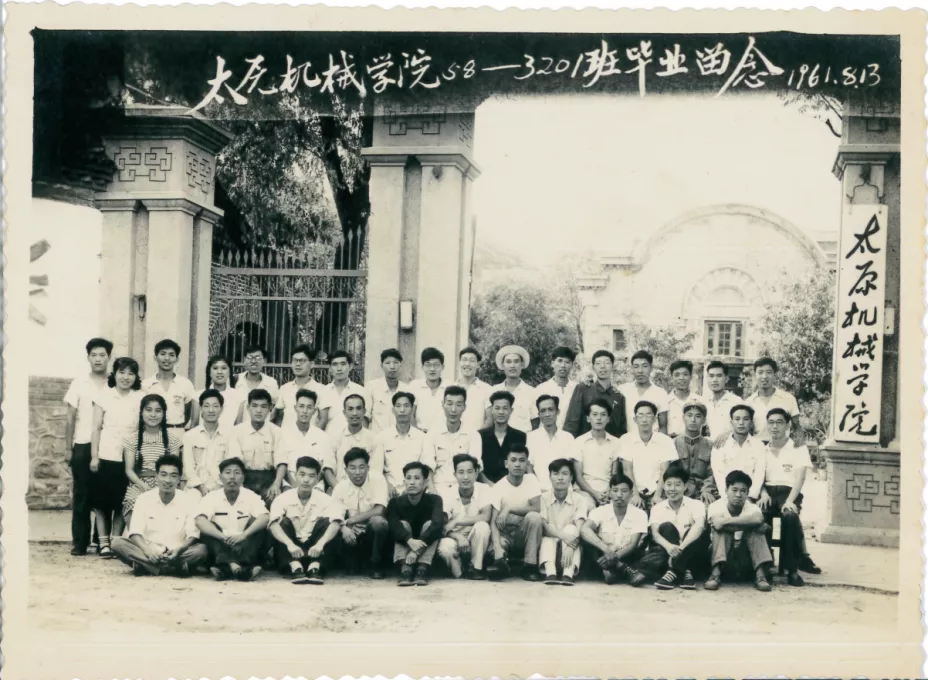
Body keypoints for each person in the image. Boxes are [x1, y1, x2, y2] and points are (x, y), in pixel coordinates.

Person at [111, 454, 207, 576]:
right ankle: (173, 568)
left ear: (179, 479)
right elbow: (135, 532)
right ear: (156, 477)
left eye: (173, 475)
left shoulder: (187, 500)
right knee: (117, 543)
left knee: (201, 550)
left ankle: (147, 566)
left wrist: (179, 550)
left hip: (177, 552)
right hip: (149, 551)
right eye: (163, 474)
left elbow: (192, 534)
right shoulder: (143, 499)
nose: (168, 480)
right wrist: (148, 552)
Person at [90, 357, 145, 557]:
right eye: (122, 372)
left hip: (129, 457)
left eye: (131, 373)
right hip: (106, 454)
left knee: (122, 501)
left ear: (136, 377)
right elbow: (96, 428)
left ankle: (115, 542)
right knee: (101, 502)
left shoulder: (140, 398)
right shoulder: (104, 395)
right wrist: (94, 456)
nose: (126, 377)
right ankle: (103, 543)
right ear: (115, 374)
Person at [759, 408, 821, 585]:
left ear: (787, 425)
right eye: (771, 422)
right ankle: (764, 565)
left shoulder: (797, 448)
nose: (775, 426)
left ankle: (791, 569)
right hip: (768, 492)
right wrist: (763, 493)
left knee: (790, 517)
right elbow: (758, 476)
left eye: (779, 422)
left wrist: (789, 501)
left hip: (789, 492)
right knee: (759, 516)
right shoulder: (762, 449)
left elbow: (800, 478)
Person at [64, 337, 112, 556]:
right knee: (82, 494)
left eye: (102, 355)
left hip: (108, 445)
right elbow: (70, 418)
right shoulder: (79, 383)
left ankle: (101, 540)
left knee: (104, 494)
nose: (98, 359)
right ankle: (80, 542)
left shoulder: (115, 382)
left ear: (109, 358)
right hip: (83, 444)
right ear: (88, 358)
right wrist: (68, 448)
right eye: (94, 355)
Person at [268, 456, 344, 584]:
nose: (306, 480)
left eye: (311, 476)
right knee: (282, 523)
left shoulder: (326, 500)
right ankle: (295, 567)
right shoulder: (282, 498)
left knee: (327, 523)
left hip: (316, 550)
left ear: (317, 479)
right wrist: (290, 544)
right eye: (302, 474)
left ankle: (315, 567)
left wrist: (320, 544)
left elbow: (336, 523)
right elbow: (273, 525)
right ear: (295, 475)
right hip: (291, 550)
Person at [194, 457, 270, 581]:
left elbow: (265, 517)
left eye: (237, 473)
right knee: (207, 529)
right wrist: (222, 537)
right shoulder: (212, 497)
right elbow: (199, 521)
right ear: (220, 477)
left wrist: (244, 535)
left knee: (260, 528)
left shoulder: (250, 496)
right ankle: (242, 568)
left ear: (243, 478)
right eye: (228, 472)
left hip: (244, 543)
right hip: (220, 544)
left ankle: (226, 568)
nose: (232, 477)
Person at [638, 466, 709, 590]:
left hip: (692, 553)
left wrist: (680, 550)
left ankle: (672, 572)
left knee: (697, 532)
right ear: (664, 486)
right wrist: (669, 547)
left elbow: (699, 527)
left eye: (677, 484)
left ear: (685, 486)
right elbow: (655, 534)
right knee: (667, 527)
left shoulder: (697, 504)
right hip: (667, 553)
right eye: (669, 484)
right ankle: (685, 572)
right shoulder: (657, 508)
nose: (672, 489)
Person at [704, 469, 773, 592]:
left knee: (756, 530)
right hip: (722, 557)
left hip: (746, 557)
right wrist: (749, 524)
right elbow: (717, 525)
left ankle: (761, 576)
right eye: (734, 490)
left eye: (743, 491)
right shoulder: (716, 506)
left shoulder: (752, 507)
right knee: (724, 531)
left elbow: (758, 518)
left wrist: (726, 521)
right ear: (726, 490)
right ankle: (715, 575)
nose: (738, 495)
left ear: (747, 493)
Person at [121, 394, 183, 526]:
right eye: (149, 410)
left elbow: (175, 469)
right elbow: (129, 470)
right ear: (141, 412)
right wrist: (143, 486)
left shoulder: (172, 440)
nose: (153, 415)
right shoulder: (132, 439)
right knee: (133, 503)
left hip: (165, 482)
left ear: (164, 413)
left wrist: (161, 485)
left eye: (158, 410)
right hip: (139, 483)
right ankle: (137, 535)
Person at [486, 444, 544, 582]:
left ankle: (530, 566)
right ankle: (502, 564)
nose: (517, 464)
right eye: (513, 460)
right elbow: (493, 522)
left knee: (534, 517)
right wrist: (497, 547)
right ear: (506, 464)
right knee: (494, 554)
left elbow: (536, 508)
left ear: (527, 464)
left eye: (522, 460)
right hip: (505, 534)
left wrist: (509, 509)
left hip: (523, 533)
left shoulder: (532, 480)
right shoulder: (498, 487)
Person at [580, 473, 649, 586]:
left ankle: (611, 570)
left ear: (631, 493)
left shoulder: (640, 514)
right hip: (602, 554)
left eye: (624, 491)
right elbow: (584, 530)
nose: (619, 495)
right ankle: (622, 569)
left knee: (646, 558)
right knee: (588, 543)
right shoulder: (600, 511)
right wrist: (607, 550)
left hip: (626, 555)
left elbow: (633, 545)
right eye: (615, 490)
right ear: (609, 492)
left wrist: (613, 557)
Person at [332, 447, 391, 579]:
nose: (357, 472)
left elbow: (379, 510)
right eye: (352, 468)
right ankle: (352, 562)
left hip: (371, 533)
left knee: (378, 522)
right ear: (346, 470)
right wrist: (344, 528)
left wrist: (351, 520)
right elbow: (334, 516)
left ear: (368, 468)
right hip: (351, 535)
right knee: (351, 569)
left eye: (361, 467)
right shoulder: (340, 487)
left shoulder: (378, 480)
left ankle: (376, 564)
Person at [387, 461, 445, 586]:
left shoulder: (435, 500)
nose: (412, 482)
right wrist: (409, 540)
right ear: (404, 482)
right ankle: (405, 569)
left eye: (417, 478)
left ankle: (422, 569)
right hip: (405, 545)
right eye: (408, 478)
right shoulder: (395, 502)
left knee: (430, 524)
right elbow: (393, 526)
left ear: (425, 482)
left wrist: (416, 550)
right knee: (402, 524)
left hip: (425, 546)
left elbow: (437, 524)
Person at [436, 454, 493, 579]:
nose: (466, 477)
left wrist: (457, 522)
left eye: (470, 472)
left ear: (476, 473)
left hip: (476, 539)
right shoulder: (447, 492)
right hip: (454, 538)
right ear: (455, 474)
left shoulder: (484, 489)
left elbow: (486, 516)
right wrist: (458, 537)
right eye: (461, 472)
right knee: (445, 546)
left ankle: (475, 568)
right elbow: (442, 525)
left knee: (482, 527)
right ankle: (459, 572)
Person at [620, 401, 679, 512]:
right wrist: (635, 495)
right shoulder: (626, 439)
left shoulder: (665, 440)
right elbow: (627, 469)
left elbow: (665, 470)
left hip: (659, 491)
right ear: (635, 419)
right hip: (634, 491)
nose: (644, 419)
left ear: (655, 419)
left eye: (648, 415)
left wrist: (657, 495)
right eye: (640, 415)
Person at [183, 389, 242, 496]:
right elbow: (188, 469)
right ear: (200, 408)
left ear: (221, 409)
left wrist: (219, 485)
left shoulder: (230, 435)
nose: (211, 410)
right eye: (206, 406)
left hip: (223, 485)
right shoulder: (189, 436)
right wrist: (201, 488)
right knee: (191, 498)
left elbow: (233, 463)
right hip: (196, 488)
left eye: (215, 406)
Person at [538, 459, 588, 585]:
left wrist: (571, 546)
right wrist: (565, 537)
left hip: (571, 551)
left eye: (565, 474)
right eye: (556, 474)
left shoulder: (580, 500)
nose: (560, 478)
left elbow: (580, 528)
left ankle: (568, 574)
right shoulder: (543, 498)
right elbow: (544, 526)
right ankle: (550, 573)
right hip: (548, 552)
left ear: (571, 477)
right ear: (550, 477)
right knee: (549, 531)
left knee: (571, 528)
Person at [231, 389, 284, 505]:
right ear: (248, 408)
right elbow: (235, 462)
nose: (259, 411)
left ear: (270, 408)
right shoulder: (237, 431)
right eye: (254, 406)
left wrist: (276, 484)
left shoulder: (276, 432)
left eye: (263, 406)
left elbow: (282, 462)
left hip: (268, 479)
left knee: (275, 502)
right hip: (244, 479)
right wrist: (239, 485)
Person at [275, 389, 335, 491]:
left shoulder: (322, 436)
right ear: (295, 408)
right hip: (290, 483)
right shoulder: (283, 434)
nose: (305, 411)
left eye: (309, 407)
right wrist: (295, 486)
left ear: (314, 411)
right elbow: (282, 463)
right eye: (301, 406)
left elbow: (326, 465)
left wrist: (313, 483)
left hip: (315, 483)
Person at [426, 385, 483, 490]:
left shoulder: (473, 435)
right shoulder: (432, 434)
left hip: (464, 488)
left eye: (458, 404)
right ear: (443, 405)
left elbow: (475, 469)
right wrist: (433, 492)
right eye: (449, 403)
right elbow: (427, 467)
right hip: (438, 486)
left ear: (464, 407)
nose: (453, 409)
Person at [563, 349, 627, 439]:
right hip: (585, 444)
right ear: (593, 367)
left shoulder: (618, 396)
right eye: (598, 363)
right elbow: (572, 422)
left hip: (610, 444)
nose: (602, 366)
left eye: (607, 363)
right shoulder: (583, 389)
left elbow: (621, 428)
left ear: (612, 366)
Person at [571, 399, 622, 508]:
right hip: (584, 491)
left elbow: (614, 474)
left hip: (608, 491)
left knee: (613, 508)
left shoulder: (616, 442)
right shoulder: (579, 442)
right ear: (588, 418)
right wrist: (594, 494)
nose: (599, 418)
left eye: (603, 415)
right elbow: (578, 477)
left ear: (608, 419)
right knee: (588, 506)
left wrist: (609, 491)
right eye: (595, 414)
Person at [377, 392, 430, 496]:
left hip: (416, 492)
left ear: (412, 410)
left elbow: (425, 469)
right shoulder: (382, 437)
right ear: (393, 410)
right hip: (388, 492)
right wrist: (388, 486)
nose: (402, 410)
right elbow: (377, 469)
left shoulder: (422, 438)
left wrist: (411, 489)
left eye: (406, 406)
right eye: (398, 406)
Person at [711, 405, 766, 503]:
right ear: (731, 422)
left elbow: (759, 474)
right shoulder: (720, 445)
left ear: (751, 423)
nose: (741, 423)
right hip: (725, 498)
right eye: (737, 419)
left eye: (746, 419)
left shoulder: (759, 445)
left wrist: (749, 497)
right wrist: (727, 497)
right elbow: (718, 474)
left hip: (750, 498)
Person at [142, 339, 198, 430]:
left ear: (177, 359)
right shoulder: (145, 385)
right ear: (155, 357)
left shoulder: (185, 384)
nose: (167, 358)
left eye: (171, 355)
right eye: (163, 354)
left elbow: (187, 413)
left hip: (177, 432)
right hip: (152, 432)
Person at [744, 358, 800, 444]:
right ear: (755, 375)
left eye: (769, 372)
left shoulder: (788, 398)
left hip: (782, 446)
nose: (764, 376)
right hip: (757, 447)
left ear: (775, 375)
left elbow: (797, 427)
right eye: (760, 372)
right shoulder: (748, 403)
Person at [526, 395, 575, 493]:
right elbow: (529, 467)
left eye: (550, 409)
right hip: (539, 491)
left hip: (564, 491)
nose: (547, 414)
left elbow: (571, 468)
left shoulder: (568, 437)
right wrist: (537, 489)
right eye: (543, 411)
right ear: (539, 414)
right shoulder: (531, 437)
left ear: (557, 412)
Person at [672, 400, 718, 503]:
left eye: (698, 416)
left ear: (704, 420)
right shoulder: (674, 443)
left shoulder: (710, 445)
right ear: (683, 418)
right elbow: (670, 472)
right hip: (679, 492)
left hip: (702, 493)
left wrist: (707, 489)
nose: (693, 420)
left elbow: (713, 472)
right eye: (689, 415)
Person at [477, 391, 527, 484]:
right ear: (492, 410)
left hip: (512, 486)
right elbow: (476, 464)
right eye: (497, 408)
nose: (501, 412)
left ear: (511, 410)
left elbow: (523, 465)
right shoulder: (479, 436)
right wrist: (488, 483)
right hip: (485, 486)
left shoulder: (521, 437)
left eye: (505, 408)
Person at [331, 393, 380, 485]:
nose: (354, 413)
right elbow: (328, 469)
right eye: (350, 409)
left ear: (364, 411)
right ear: (344, 412)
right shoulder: (335, 438)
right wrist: (339, 489)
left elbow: (376, 472)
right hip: (340, 487)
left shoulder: (374, 438)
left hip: (367, 489)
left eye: (358, 408)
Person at [489, 345, 538, 433]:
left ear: (522, 364)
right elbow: (490, 419)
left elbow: (535, 422)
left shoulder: (532, 392)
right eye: (508, 362)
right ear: (503, 365)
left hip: (524, 439)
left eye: (516, 361)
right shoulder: (493, 390)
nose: (512, 365)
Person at [274, 344, 324, 430]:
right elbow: (278, 417)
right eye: (295, 360)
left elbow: (323, 419)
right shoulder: (284, 388)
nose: (297, 364)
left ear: (312, 364)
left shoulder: (321, 389)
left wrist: (313, 436)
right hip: (287, 436)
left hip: (309, 436)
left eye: (302, 361)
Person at [317, 350, 369, 433]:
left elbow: (364, 423)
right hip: (329, 439)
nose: (339, 369)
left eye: (343, 364)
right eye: (335, 364)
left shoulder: (360, 391)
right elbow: (320, 421)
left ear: (350, 366)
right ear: (330, 368)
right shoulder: (323, 391)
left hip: (354, 439)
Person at [618, 350, 669, 434]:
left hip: (652, 440)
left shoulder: (660, 393)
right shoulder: (623, 390)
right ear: (632, 369)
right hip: (628, 439)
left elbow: (663, 426)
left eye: (644, 366)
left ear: (651, 368)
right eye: (636, 366)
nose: (640, 371)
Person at [534, 347, 579, 431]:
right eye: (560, 361)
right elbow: (535, 419)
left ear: (572, 365)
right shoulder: (541, 389)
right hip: (545, 435)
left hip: (570, 435)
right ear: (552, 364)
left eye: (567, 362)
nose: (563, 365)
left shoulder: (577, 388)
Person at [367, 348, 409, 434]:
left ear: (401, 365)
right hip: (377, 438)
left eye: (396, 362)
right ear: (381, 366)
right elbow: (365, 416)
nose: (392, 366)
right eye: (387, 363)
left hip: (399, 437)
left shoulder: (406, 389)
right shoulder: (372, 387)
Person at [410, 347, 448, 434]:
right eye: (428, 365)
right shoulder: (414, 386)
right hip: (419, 435)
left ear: (442, 367)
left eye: (436, 365)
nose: (432, 369)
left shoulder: (450, 386)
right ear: (422, 367)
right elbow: (410, 413)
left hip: (443, 435)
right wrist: (417, 432)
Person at [202, 355, 245, 432]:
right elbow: (195, 426)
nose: (219, 372)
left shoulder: (239, 396)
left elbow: (239, 426)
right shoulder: (198, 395)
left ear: (229, 372)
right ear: (209, 372)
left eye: (224, 368)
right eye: (215, 368)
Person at [702, 360, 743, 439]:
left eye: (719, 376)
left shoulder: (736, 402)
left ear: (726, 379)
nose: (715, 380)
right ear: (707, 378)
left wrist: (728, 434)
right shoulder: (704, 402)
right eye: (711, 376)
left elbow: (743, 429)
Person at [455, 346, 492, 432]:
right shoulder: (450, 387)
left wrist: (478, 437)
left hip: (478, 437)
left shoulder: (487, 390)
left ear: (478, 364)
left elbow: (489, 420)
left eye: (471, 361)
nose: (467, 364)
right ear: (459, 363)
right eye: (464, 360)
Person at [666, 360, 703, 439]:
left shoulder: (699, 401)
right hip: (671, 443)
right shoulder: (665, 402)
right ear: (672, 377)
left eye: (685, 374)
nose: (681, 378)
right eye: (677, 375)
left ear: (691, 376)